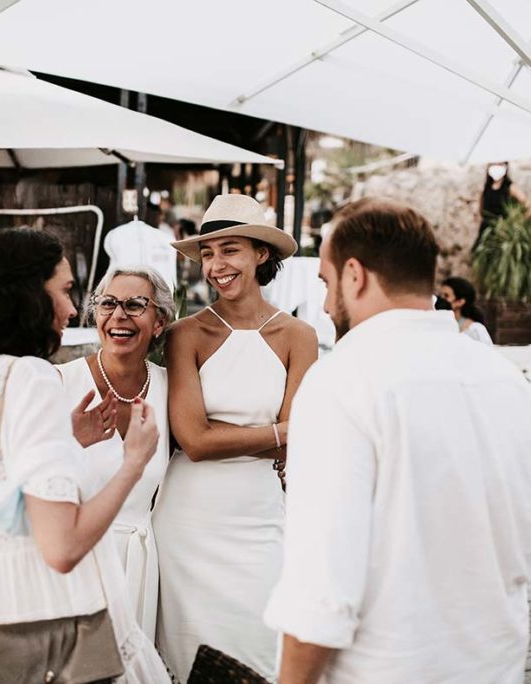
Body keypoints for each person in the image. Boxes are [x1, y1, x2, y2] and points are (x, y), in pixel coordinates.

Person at [264, 197, 531, 683]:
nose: (328, 304)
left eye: (327, 284)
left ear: (355, 275)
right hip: (493, 665)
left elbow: (321, 593)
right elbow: (521, 546)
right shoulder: (508, 381)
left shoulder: (342, 384)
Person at [0, 227, 171, 683]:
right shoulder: (32, 378)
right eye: (64, 290)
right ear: (29, 294)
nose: (73, 309)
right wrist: (134, 461)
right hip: (55, 627)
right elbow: (62, 547)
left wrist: (65, 441)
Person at [152, 194, 319, 681]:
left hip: (261, 512)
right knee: (188, 654)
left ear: (261, 254)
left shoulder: (299, 335)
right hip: (188, 521)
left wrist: (219, 431)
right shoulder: (185, 334)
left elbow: (293, 443)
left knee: (262, 645)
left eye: (230, 250)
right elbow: (193, 441)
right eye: (207, 253)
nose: (216, 265)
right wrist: (279, 431)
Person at [57, 266, 174, 642]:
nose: (119, 315)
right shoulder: (60, 382)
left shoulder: (171, 390)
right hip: (76, 563)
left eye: (135, 304)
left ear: (159, 322)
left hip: (139, 564)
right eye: (108, 304)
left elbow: (203, 443)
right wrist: (68, 443)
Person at [475, 161, 531, 250]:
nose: (496, 167)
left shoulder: (510, 187)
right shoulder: (486, 188)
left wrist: (516, 226)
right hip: (486, 233)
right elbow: (480, 210)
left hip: (502, 235)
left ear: (506, 166)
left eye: (500, 164)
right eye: (494, 164)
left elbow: (528, 207)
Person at [439, 275, 493, 344]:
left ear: (460, 302)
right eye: (440, 295)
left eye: (446, 296)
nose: (441, 299)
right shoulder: (439, 325)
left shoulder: (475, 330)